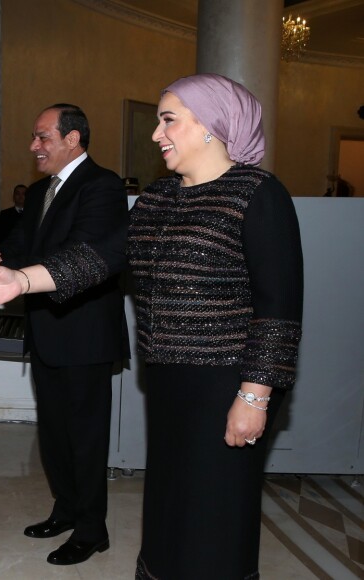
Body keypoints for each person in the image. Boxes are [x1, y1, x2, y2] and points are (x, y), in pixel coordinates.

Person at [127, 74, 303, 578]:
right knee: (168, 507)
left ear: (212, 126)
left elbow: (279, 308)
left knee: (215, 513)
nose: (157, 134)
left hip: (228, 384)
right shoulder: (158, 198)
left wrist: (254, 397)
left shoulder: (258, 193)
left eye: (169, 120)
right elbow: (99, 256)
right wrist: (20, 280)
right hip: (168, 383)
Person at [0, 103, 129, 566]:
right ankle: (66, 509)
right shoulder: (38, 194)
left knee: (86, 437)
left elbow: (84, 253)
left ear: (73, 139)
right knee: (54, 433)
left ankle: (93, 530)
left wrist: (15, 274)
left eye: (43, 137)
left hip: (85, 333)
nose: (34, 146)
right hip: (45, 329)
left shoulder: (103, 186)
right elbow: (19, 247)